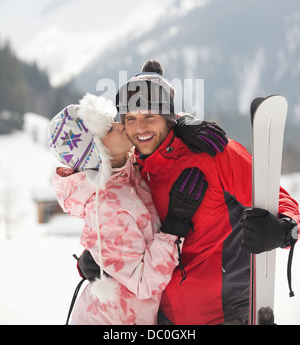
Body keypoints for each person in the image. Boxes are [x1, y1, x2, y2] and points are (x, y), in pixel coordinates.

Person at [79, 59, 299, 325]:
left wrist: (284, 228)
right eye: (131, 119)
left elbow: (277, 196)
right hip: (163, 318)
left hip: (226, 314)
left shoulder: (214, 153)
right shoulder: (134, 168)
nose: (140, 128)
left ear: (169, 118)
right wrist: (97, 257)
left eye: (150, 116)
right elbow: (113, 220)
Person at [48, 92, 213, 325]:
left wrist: (181, 124)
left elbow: (149, 131)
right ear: (95, 152)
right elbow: (145, 282)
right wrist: (176, 223)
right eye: (108, 129)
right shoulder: (108, 206)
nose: (120, 125)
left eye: (112, 120)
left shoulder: (125, 169)